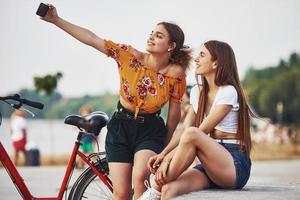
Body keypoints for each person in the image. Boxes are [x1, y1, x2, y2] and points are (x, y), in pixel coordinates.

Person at [40, 4, 192, 200]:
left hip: (151, 130)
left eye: (159, 35)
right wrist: (56, 20)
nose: (151, 37)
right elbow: (92, 39)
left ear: (171, 46)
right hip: (120, 126)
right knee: (120, 194)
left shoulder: (176, 75)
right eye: (151, 33)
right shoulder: (129, 56)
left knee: (140, 178)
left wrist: (165, 150)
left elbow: (173, 116)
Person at [138, 40, 254, 200]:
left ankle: (154, 188)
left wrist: (168, 159)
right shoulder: (196, 93)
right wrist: (163, 154)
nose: (196, 59)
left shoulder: (228, 92)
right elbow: (185, 131)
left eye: (202, 55)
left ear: (216, 63)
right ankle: (157, 190)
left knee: (193, 134)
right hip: (209, 165)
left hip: (233, 164)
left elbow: (198, 132)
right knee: (169, 190)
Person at [76, 105, 95, 169]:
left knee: (91, 153)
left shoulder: (91, 122)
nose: (85, 116)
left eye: (87, 114)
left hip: (90, 140)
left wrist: (96, 139)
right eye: (83, 114)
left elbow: (95, 132)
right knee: (82, 153)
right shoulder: (81, 122)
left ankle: (94, 165)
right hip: (83, 140)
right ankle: (80, 164)